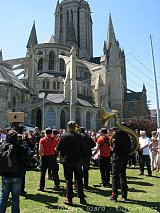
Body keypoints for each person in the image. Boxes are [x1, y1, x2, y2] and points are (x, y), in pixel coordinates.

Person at [57, 121, 86, 206]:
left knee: (68, 180)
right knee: (79, 180)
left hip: (67, 160)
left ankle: (69, 199)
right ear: (74, 127)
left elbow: (58, 148)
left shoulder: (64, 136)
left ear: (68, 127)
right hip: (77, 161)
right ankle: (82, 198)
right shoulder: (79, 136)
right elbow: (82, 148)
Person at [0, 130, 28, 213]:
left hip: (5, 174)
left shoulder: (3, 147)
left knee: (4, 196)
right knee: (15, 197)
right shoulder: (20, 148)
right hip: (17, 174)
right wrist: (23, 141)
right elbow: (26, 155)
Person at [110, 124, 131, 202]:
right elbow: (130, 148)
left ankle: (114, 196)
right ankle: (124, 195)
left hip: (117, 158)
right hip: (125, 158)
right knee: (123, 176)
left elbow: (114, 148)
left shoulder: (118, 136)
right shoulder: (127, 136)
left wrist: (111, 147)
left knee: (115, 177)